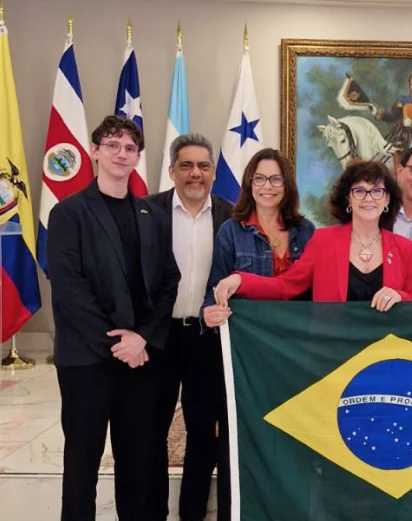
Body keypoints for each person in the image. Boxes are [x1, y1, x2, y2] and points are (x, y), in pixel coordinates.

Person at [47, 115, 180, 521]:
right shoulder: (68, 213)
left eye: (130, 148)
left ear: (138, 157)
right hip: (87, 359)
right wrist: (117, 342)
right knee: (82, 462)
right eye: (112, 145)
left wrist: (142, 339)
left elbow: (169, 280)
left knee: (138, 462)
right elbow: (69, 288)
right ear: (95, 151)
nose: (122, 154)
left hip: (140, 358)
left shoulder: (153, 214)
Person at [146, 134, 233, 521]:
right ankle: (153, 513)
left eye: (203, 166)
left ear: (213, 172)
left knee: (201, 433)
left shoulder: (232, 216)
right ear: (172, 171)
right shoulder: (148, 212)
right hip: (158, 338)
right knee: (151, 431)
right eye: (186, 165)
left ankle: (192, 514)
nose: (195, 173)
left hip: (206, 339)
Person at [210, 160, 412, 309]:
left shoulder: (405, 248)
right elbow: (286, 286)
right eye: (359, 190)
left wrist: (399, 296)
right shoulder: (322, 240)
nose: (368, 198)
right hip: (331, 352)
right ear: (347, 199)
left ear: (387, 199)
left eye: (377, 191)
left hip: (386, 352)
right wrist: (240, 280)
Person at [202, 148, 315, 329]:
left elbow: (315, 291)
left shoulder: (306, 230)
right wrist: (208, 312)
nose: (267, 186)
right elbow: (213, 291)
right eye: (259, 178)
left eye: (276, 179)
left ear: (287, 185)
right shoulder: (231, 231)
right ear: (250, 183)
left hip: (298, 336)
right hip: (250, 336)